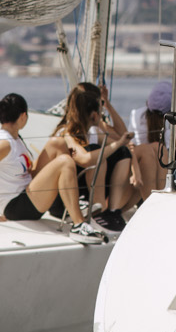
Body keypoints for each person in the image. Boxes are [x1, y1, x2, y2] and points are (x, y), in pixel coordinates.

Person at [0, 92, 84, 224]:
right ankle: (79, 223)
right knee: (65, 162)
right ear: (23, 116)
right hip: (15, 206)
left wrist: (55, 162)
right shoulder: (3, 144)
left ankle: (61, 207)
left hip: (26, 192)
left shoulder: (14, 138)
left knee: (57, 143)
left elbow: (25, 169)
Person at [55, 81, 136, 228]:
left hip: (87, 188)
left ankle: (112, 211)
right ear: (93, 114)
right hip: (67, 197)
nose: (101, 113)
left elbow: (123, 140)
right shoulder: (67, 133)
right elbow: (85, 159)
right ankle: (100, 211)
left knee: (121, 153)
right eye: (100, 109)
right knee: (97, 154)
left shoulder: (93, 131)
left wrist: (108, 105)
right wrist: (117, 144)